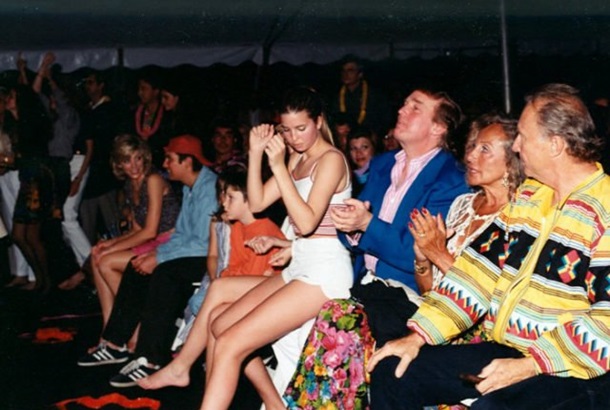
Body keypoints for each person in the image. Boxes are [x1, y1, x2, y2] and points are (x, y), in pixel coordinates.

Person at [368, 83, 610, 410]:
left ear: (555, 145)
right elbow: (476, 275)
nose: (517, 147)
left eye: (523, 136)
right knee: (393, 371)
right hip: (516, 351)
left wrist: (532, 364)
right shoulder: (528, 199)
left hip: (578, 369)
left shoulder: (604, 211)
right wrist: (418, 336)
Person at [283, 112, 524, 408]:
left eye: (484, 149)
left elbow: (491, 298)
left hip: (475, 327)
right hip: (433, 310)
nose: (471, 155)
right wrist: (422, 259)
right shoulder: (464, 205)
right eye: (473, 146)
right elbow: (430, 290)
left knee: (379, 355)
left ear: (512, 161)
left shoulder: (519, 217)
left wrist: (437, 253)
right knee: (339, 316)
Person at [137, 87, 353, 410]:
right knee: (219, 323)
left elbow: (307, 222)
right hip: (298, 267)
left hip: (324, 274)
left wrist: (278, 167)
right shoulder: (298, 156)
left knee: (229, 342)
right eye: (286, 130)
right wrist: (256, 154)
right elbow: (258, 201)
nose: (294, 138)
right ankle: (271, 403)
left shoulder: (331, 160)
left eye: (301, 128)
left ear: (319, 121)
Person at [331, 88, 470, 346]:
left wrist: (366, 224)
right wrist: (352, 227)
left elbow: (417, 252)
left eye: (415, 107)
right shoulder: (383, 164)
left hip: (407, 298)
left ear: (438, 127)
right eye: (404, 104)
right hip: (364, 286)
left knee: (333, 331)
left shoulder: (450, 178)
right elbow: (351, 228)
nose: (402, 111)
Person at [76, 135, 217, 390]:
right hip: (193, 251)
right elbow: (181, 235)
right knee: (138, 265)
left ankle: (150, 359)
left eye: (170, 159)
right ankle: (115, 343)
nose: (165, 164)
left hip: (210, 258)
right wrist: (154, 255)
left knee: (164, 274)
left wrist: (159, 257)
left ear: (186, 162)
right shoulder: (190, 187)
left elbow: (204, 244)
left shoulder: (208, 188)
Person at [90, 135, 180, 329]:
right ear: (119, 164)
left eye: (137, 158)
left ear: (144, 157)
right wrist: (108, 244)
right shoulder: (131, 184)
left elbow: (149, 232)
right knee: (96, 254)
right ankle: (109, 328)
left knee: (105, 261)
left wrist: (111, 249)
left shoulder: (153, 180)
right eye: (127, 160)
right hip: (152, 241)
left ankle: (135, 328)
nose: (134, 166)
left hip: (168, 243)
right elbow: (137, 229)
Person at [347, 126, 378, 196]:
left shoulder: (384, 175)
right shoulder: (348, 179)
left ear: (373, 148)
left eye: (364, 147)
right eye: (354, 148)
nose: (358, 153)